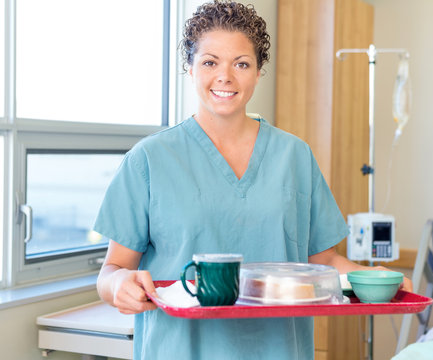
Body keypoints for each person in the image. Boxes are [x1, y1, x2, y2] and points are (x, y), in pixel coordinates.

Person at [94, 1, 412, 359]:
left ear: (259, 72)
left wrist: (378, 278)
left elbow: (324, 263)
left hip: (276, 349)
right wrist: (118, 284)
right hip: (180, 348)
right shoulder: (149, 160)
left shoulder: (294, 156)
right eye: (210, 62)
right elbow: (113, 269)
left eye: (241, 64)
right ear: (190, 67)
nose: (225, 77)